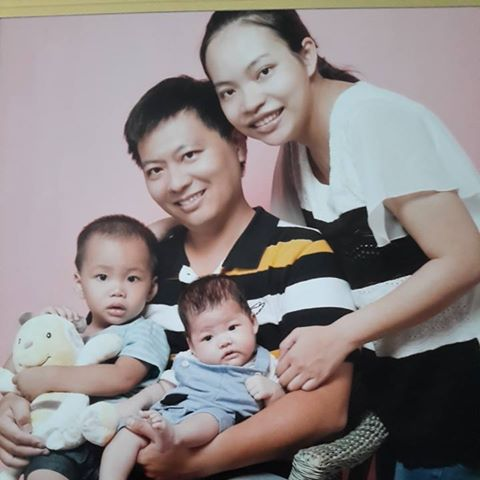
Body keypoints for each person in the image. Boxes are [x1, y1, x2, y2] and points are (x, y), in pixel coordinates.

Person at [0, 75, 355, 480]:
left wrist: (195, 463)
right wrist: (9, 398)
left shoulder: (301, 252)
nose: (176, 183)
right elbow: (74, 339)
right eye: (155, 170)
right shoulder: (145, 269)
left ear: (238, 146)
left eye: (189, 155)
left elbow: (326, 410)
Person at [199, 9, 480, 480]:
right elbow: (290, 257)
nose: (250, 102)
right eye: (228, 91)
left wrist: (340, 336)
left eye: (264, 71)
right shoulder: (295, 152)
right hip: (401, 394)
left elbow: (465, 257)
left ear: (307, 55)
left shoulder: (374, 120)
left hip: (463, 381)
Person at [5, 214, 169, 480]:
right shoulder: (71, 331)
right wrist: (42, 329)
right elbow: (15, 370)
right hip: (59, 439)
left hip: (116, 441)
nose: (117, 290)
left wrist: (49, 377)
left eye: (132, 279)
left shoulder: (144, 330)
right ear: (80, 284)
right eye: (102, 277)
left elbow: (123, 377)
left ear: (151, 289)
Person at [89, 274, 284, 480]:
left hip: (215, 426)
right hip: (166, 414)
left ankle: (175, 435)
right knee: (127, 433)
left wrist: (273, 392)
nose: (224, 341)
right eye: (208, 337)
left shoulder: (266, 364)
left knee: (210, 417)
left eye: (232, 328)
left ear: (253, 323)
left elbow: (281, 412)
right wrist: (134, 404)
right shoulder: (188, 360)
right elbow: (163, 387)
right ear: (192, 345)